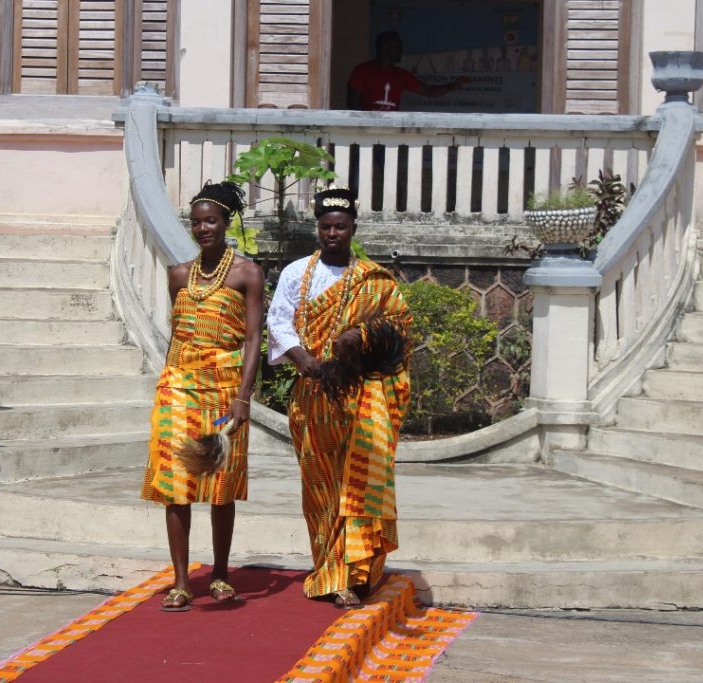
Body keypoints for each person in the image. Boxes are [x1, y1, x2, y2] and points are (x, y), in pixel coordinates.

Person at [266, 186, 412, 608]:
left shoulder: (373, 279)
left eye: (341, 227)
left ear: (352, 229)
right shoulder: (297, 272)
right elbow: (279, 321)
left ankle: (357, 572)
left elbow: (399, 329)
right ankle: (329, 568)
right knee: (320, 487)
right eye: (326, 226)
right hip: (313, 396)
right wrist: (303, 359)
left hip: (362, 400)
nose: (332, 233)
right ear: (319, 228)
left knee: (358, 484)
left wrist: (360, 339)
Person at [140, 180, 264, 612]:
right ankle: (179, 581)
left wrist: (244, 396)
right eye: (196, 222)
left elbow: (253, 338)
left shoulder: (247, 273)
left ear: (227, 223)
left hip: (225, 387)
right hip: (179, 385)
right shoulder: (178, 275)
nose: (203, 228)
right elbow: (175, 336)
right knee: (175, 484)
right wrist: (167, 383)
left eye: (211, 220)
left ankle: (221, 574)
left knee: (220, 486)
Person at [347, 31, 467, 111]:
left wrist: (451, 86)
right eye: (398, 46)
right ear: (386, 47)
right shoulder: (362, 70)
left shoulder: (402, 75)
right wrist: (362, 125)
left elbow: (428, 90)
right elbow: (352, 101)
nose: (401, 50)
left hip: (390, 131)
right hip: (364, 133)